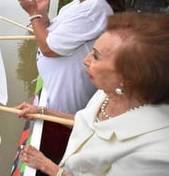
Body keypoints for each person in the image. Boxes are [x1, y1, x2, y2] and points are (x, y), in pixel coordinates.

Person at [17, 11, 169, 175]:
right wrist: (41, 111)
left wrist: (47, 165)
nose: (85, 60)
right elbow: (87, 123)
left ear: (129, 77)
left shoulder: (154, 154)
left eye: (96, 56)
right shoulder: (110, 92)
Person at [15, 0, 128, 167]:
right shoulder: (77, 5)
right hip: (54, 91)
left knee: (58, 151)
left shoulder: (95, 8)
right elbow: (51, 34)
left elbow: (48, 47)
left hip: (66, 101)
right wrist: (42, 14)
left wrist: (33, 15)